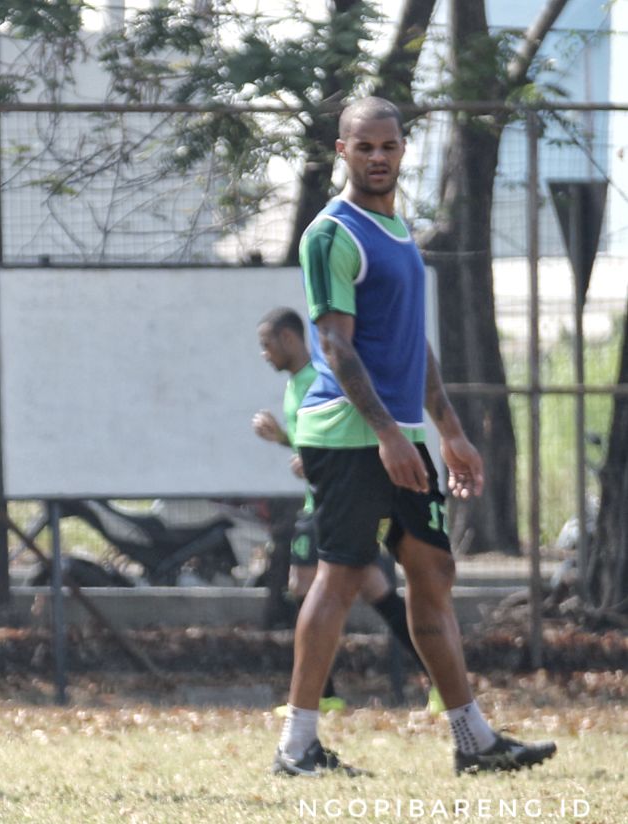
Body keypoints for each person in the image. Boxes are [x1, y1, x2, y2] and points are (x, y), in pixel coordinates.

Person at [272, 97, 555, 777]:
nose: (377, 157)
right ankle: (296, 747)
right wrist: (385, 437)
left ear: (403, 150)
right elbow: (336, 349)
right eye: (362, 146)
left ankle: (472, 740)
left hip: (394, 434)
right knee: (341, 578)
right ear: (340, 151)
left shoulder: (397, 228)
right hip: (347, 435)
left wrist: (448, 433)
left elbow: (408, 345)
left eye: (388, 146)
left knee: (433, 572)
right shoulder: (330, 233)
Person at [252, 306, 436, 715]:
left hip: (331, 501)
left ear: (288, 339)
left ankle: (323, 695)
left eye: (267, 345)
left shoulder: (319, 380)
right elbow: (309, 450)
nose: (264, 354)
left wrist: (304, 454)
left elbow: (334, 443)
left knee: (305, 584)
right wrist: (285, 441)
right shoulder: (295, 384)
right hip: (323, 498)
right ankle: (437, 679)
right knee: (373, 588)